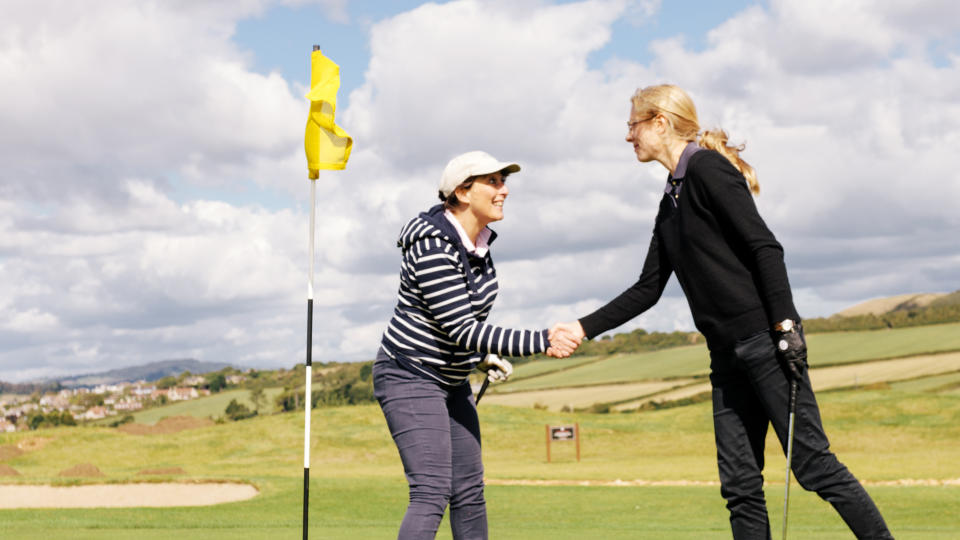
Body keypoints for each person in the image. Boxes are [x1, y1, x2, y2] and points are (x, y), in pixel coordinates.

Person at [552, 84, 893, 539]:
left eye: (632, 125)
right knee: (740, 487)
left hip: (766, 344)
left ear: (660, 123)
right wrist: (581, 327)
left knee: (813, 466)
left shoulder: (709, 170)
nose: (628, 136)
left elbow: (765, 248)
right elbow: (648, 288)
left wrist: (787, 327)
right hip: (726, 359)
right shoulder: (671, 200)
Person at [374, 150, 578, 540]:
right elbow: (461, 327)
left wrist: (481, 357)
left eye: (504, 182)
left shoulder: (477, 245)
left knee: (469, 492)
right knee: (432, 491)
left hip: (450, 381)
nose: (504, 191)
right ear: (463, 192)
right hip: (409, 376)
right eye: (494, 182)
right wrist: (541, 340)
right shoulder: (433, 245)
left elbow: (461, 327)